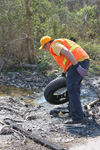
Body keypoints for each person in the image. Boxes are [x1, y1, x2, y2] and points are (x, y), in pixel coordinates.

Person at [39, 36, 90, 124]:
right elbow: (67, 60)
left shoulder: (54, 45)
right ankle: (73, 113)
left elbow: (66, 52)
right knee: (73, 89)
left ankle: (77, 117)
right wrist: (63, 73)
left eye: (44, 47)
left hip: (78, 63)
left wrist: (77, 66)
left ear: (48, 44)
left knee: (72, 89)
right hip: (82, 61)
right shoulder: (59, 43)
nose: (45, 49)